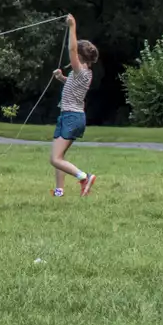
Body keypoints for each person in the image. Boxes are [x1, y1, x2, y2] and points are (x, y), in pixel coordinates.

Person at [51, 14, 99, 198]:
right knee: (58, 158)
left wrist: (72, 26)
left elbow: (71, 48)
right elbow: (72, 87)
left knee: (55, 158)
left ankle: (84, 177)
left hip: (72, 117)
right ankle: (59, 191)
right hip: (69, 116)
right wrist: (61, 77)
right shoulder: (79, 74)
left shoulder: (80, 71)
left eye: (75, 55)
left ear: (79, 57)